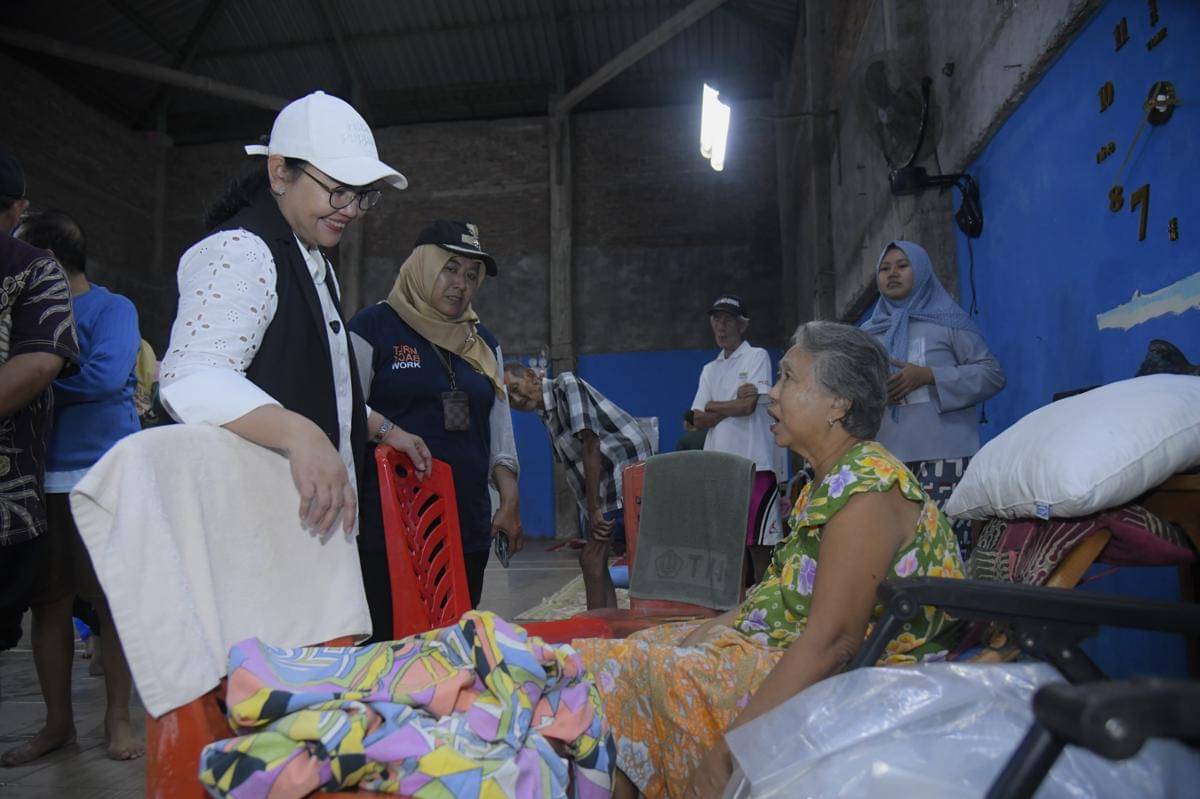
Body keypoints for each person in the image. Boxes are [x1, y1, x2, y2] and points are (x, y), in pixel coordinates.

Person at [572, 321, 967, 798]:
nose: (772, 395)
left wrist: (727, 755)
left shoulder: (867, 489)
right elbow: (783, 587)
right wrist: (721, 624)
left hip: (859, 678)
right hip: (786, 644)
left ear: (838, 403)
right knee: (606, 659)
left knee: (641, 672)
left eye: (788, 379)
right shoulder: (823, 482)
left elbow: (833, 642)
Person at [158, 92, 430, 578]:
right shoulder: (241, 250)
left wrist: (384, 429)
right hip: (257, 536)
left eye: (363, 195)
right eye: (337, 190)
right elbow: (192, 376)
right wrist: (301, 434)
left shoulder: (312, 259)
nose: (350, 208)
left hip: (306, 530)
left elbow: (313, 377)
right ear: (280, 172)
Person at [4, 210, 143, 764]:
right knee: (50, 603)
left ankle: (119, 720)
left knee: (114, 605)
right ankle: (58, 723)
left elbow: (107, 377)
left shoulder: (113, 309)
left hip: (105, 472)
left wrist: (36, 375)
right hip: (42, 475)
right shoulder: (25, 311)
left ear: (51, 262)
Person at [348, 221, 523, 631]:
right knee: (391, 647)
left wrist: (510, 498)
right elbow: (342, 409)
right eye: (450, 268)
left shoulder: (483, 343)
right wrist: (389, 430)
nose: (460, 283)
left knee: (451, 643)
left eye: (471, 275)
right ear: (422, 266)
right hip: (390, 527)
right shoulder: (372, 328)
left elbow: (499, 429)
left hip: (466, 526)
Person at [861, 240, 1005, 555]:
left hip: (947, 458)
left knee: (946, 549)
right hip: (887, 460)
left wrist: (930, 376)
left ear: (922, 270)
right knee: (895, 552)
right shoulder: (868, 335)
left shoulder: (948, 322)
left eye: (902, 265)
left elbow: (992, 374)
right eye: (885, 268)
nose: (892, 274)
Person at [0, 148, 80, 697]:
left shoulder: (29, 267)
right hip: (29, 488)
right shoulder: (35, 267)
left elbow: (42, 365)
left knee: (68, 600)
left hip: (41, 484)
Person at [504, 363, 654, 610]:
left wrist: (595, 510)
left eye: (516, 389)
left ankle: (598, 630)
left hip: (623, 465)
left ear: (531, 376)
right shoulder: (546, 415)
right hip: (601, 481)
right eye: (510, 399)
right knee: (594, 557)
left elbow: (591, 444)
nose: (517, 399)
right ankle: (608, 621)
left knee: (592, 557)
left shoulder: (566, 384)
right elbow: (575, 471)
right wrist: (589, 511)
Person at [689, 294, 788, 581]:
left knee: (760, 544)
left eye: (728, 320)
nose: (721, 326)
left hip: (755, 463)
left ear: (742, 325)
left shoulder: (756, 356)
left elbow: (747, 408)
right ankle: (734, 608)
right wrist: (730, 404)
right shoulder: (710, 369)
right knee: (728, 545)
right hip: (719, 467)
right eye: (716, 320)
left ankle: (763, 604)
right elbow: (696, 418)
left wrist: (715, 405)